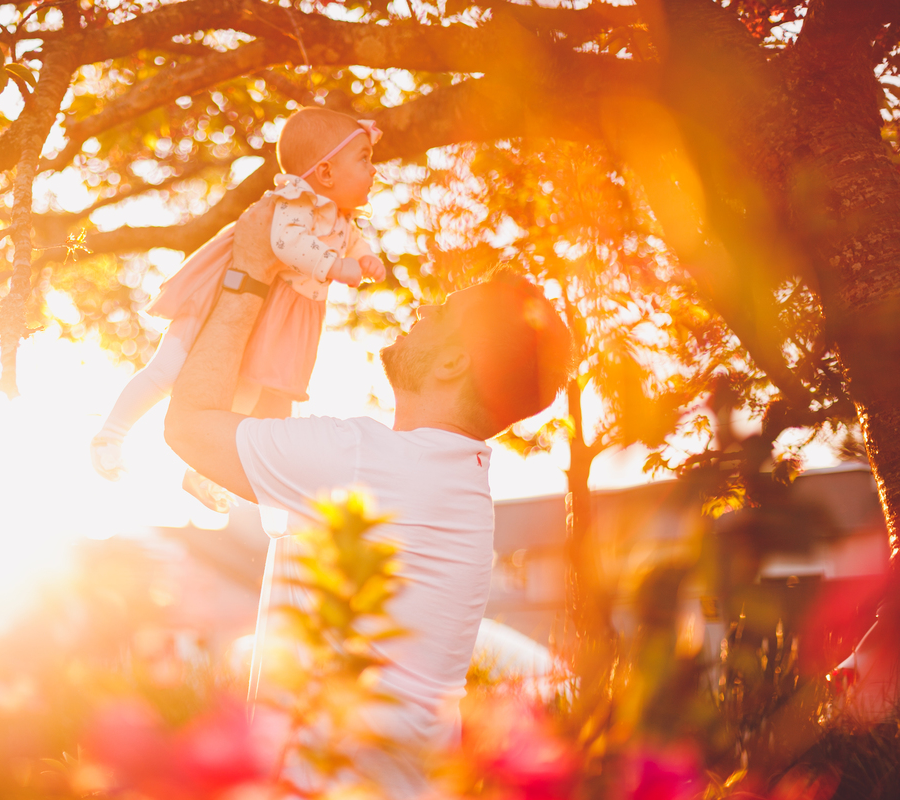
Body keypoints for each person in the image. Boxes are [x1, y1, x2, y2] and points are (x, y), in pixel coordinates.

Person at [162, 200, 574, 797]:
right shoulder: (452, 481)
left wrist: (248, 272)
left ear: (452, 361)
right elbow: (263, 447)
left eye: (442, 313)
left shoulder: (366, 460)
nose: (424, 310)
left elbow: (188, 426)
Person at [90, 107, 387, 511]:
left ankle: (203, 470)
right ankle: (111, 435)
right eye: (364, 159)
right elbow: (286, 243)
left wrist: (366, 258)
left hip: (269, 315)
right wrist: (335, 266)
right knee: (168, 370)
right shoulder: (294, 201)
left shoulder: (343, 220)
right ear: (326, 173)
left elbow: (353, 244)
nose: (374, 170)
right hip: (221, 295)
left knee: (245, 389)